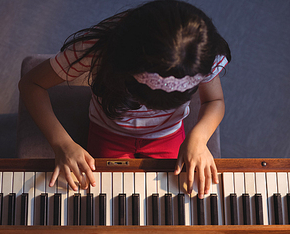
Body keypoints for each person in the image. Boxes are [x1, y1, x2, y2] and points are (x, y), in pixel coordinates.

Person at [18, 0, 231, 199]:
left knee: (178, 193)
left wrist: (198, 139)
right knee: (103, 193)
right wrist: (62, 143)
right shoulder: (97, 51)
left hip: (168, 134)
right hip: (108, 131)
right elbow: (31, 84)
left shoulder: (204, 57)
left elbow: (214, 101)